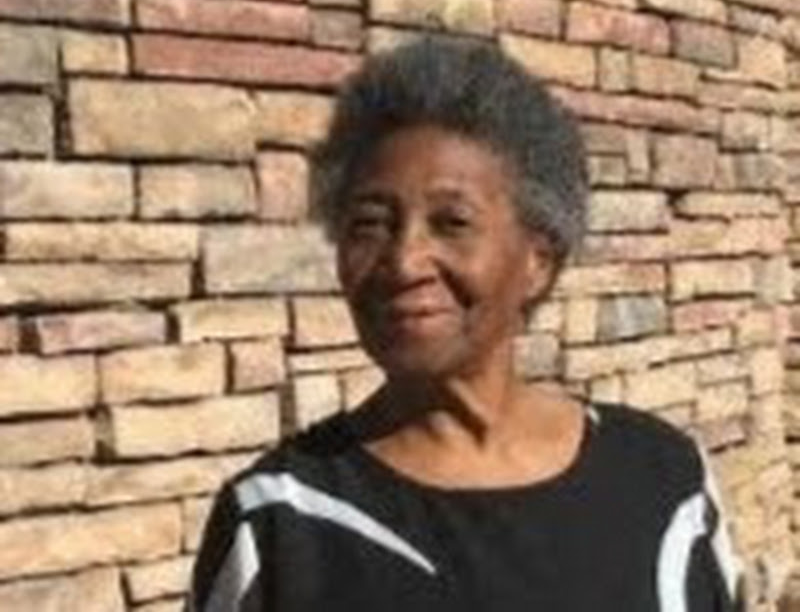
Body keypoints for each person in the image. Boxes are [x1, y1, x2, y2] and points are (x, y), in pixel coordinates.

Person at [187, 37, 744, 611]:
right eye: (369, 224)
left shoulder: (664, 486)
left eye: (452, 222)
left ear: (538, 261)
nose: (404, 261)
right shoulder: (280, 523)